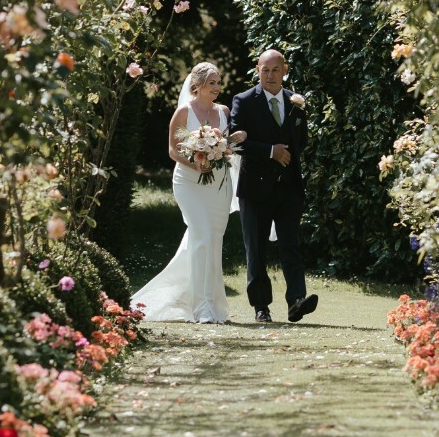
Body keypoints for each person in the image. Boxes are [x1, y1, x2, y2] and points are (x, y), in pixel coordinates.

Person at [131, 62, 246, 324]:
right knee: (202, 236)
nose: (217, 87)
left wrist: (231, 142)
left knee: (211, 241)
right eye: (212, 83)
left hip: (219, 184)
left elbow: (227, 146)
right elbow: (173, 150)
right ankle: (201, 308)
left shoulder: (224, 111)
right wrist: (195, 163)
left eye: (219, 82)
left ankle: (215, 305)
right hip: (189, 183)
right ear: (198, 85)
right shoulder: (184, 112)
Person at [230, 49, 318, 324]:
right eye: (264, 70)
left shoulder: (296, 101)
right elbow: (235, 141)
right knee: (256, 249)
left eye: (275, 70)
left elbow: (301, 141)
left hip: (289, 187)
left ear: (285, 69)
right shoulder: (243, 100)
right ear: (257, 69)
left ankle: (296, 302)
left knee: (291, 245)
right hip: (255, 189)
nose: (270, 75)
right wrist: (270, 151)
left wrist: (288, 152)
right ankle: (260, 307)